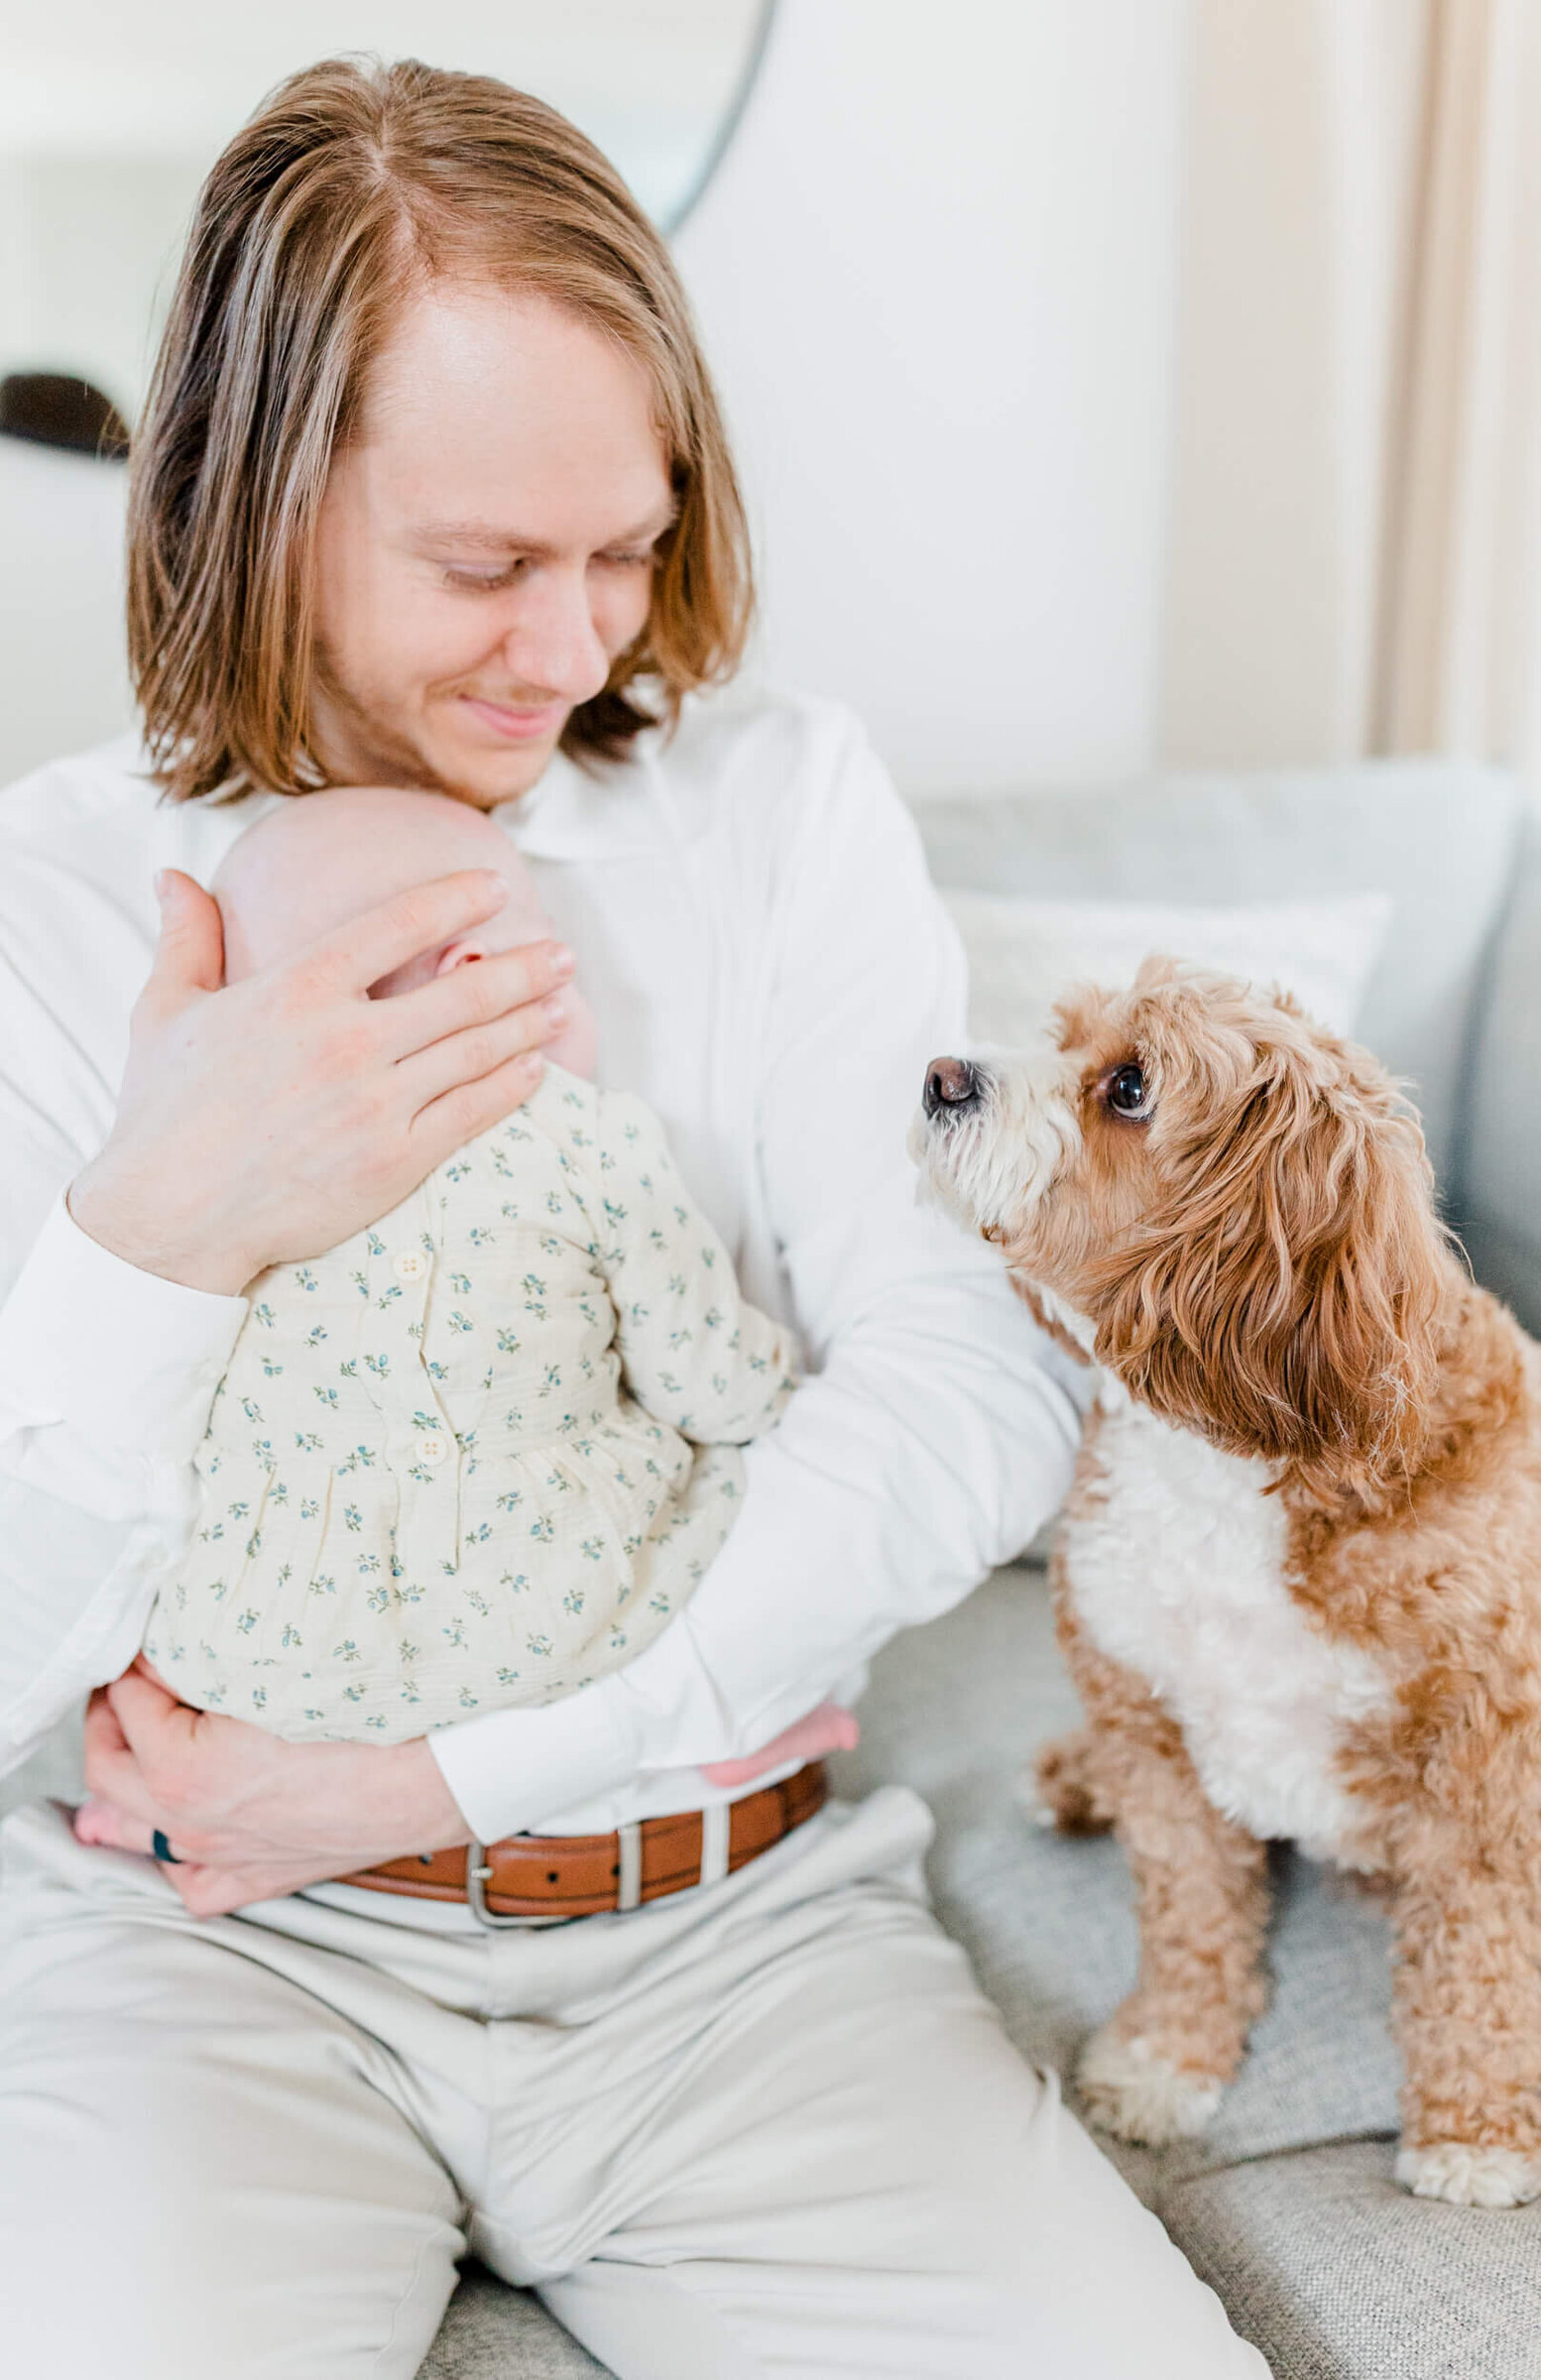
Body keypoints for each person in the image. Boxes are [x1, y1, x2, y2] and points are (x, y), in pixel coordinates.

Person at [0, 58, 1270, 2380]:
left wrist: (470, 1771)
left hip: (735, 1934)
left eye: (627, 543)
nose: (573, 643)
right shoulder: (55, 899)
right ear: (254, 502)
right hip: (208, 1953)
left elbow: (962, 1383)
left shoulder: (773, 813)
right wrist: (163, 1223)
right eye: (482, 564)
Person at [132, 785, 794, 1743]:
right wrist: (777, 1382)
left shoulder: (206, 1164)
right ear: (483, 973)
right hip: (551, 1609)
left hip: (258, 1647)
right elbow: (708, 1381)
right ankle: (719, 1749)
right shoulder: (584, 1136)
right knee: (723, 1487)